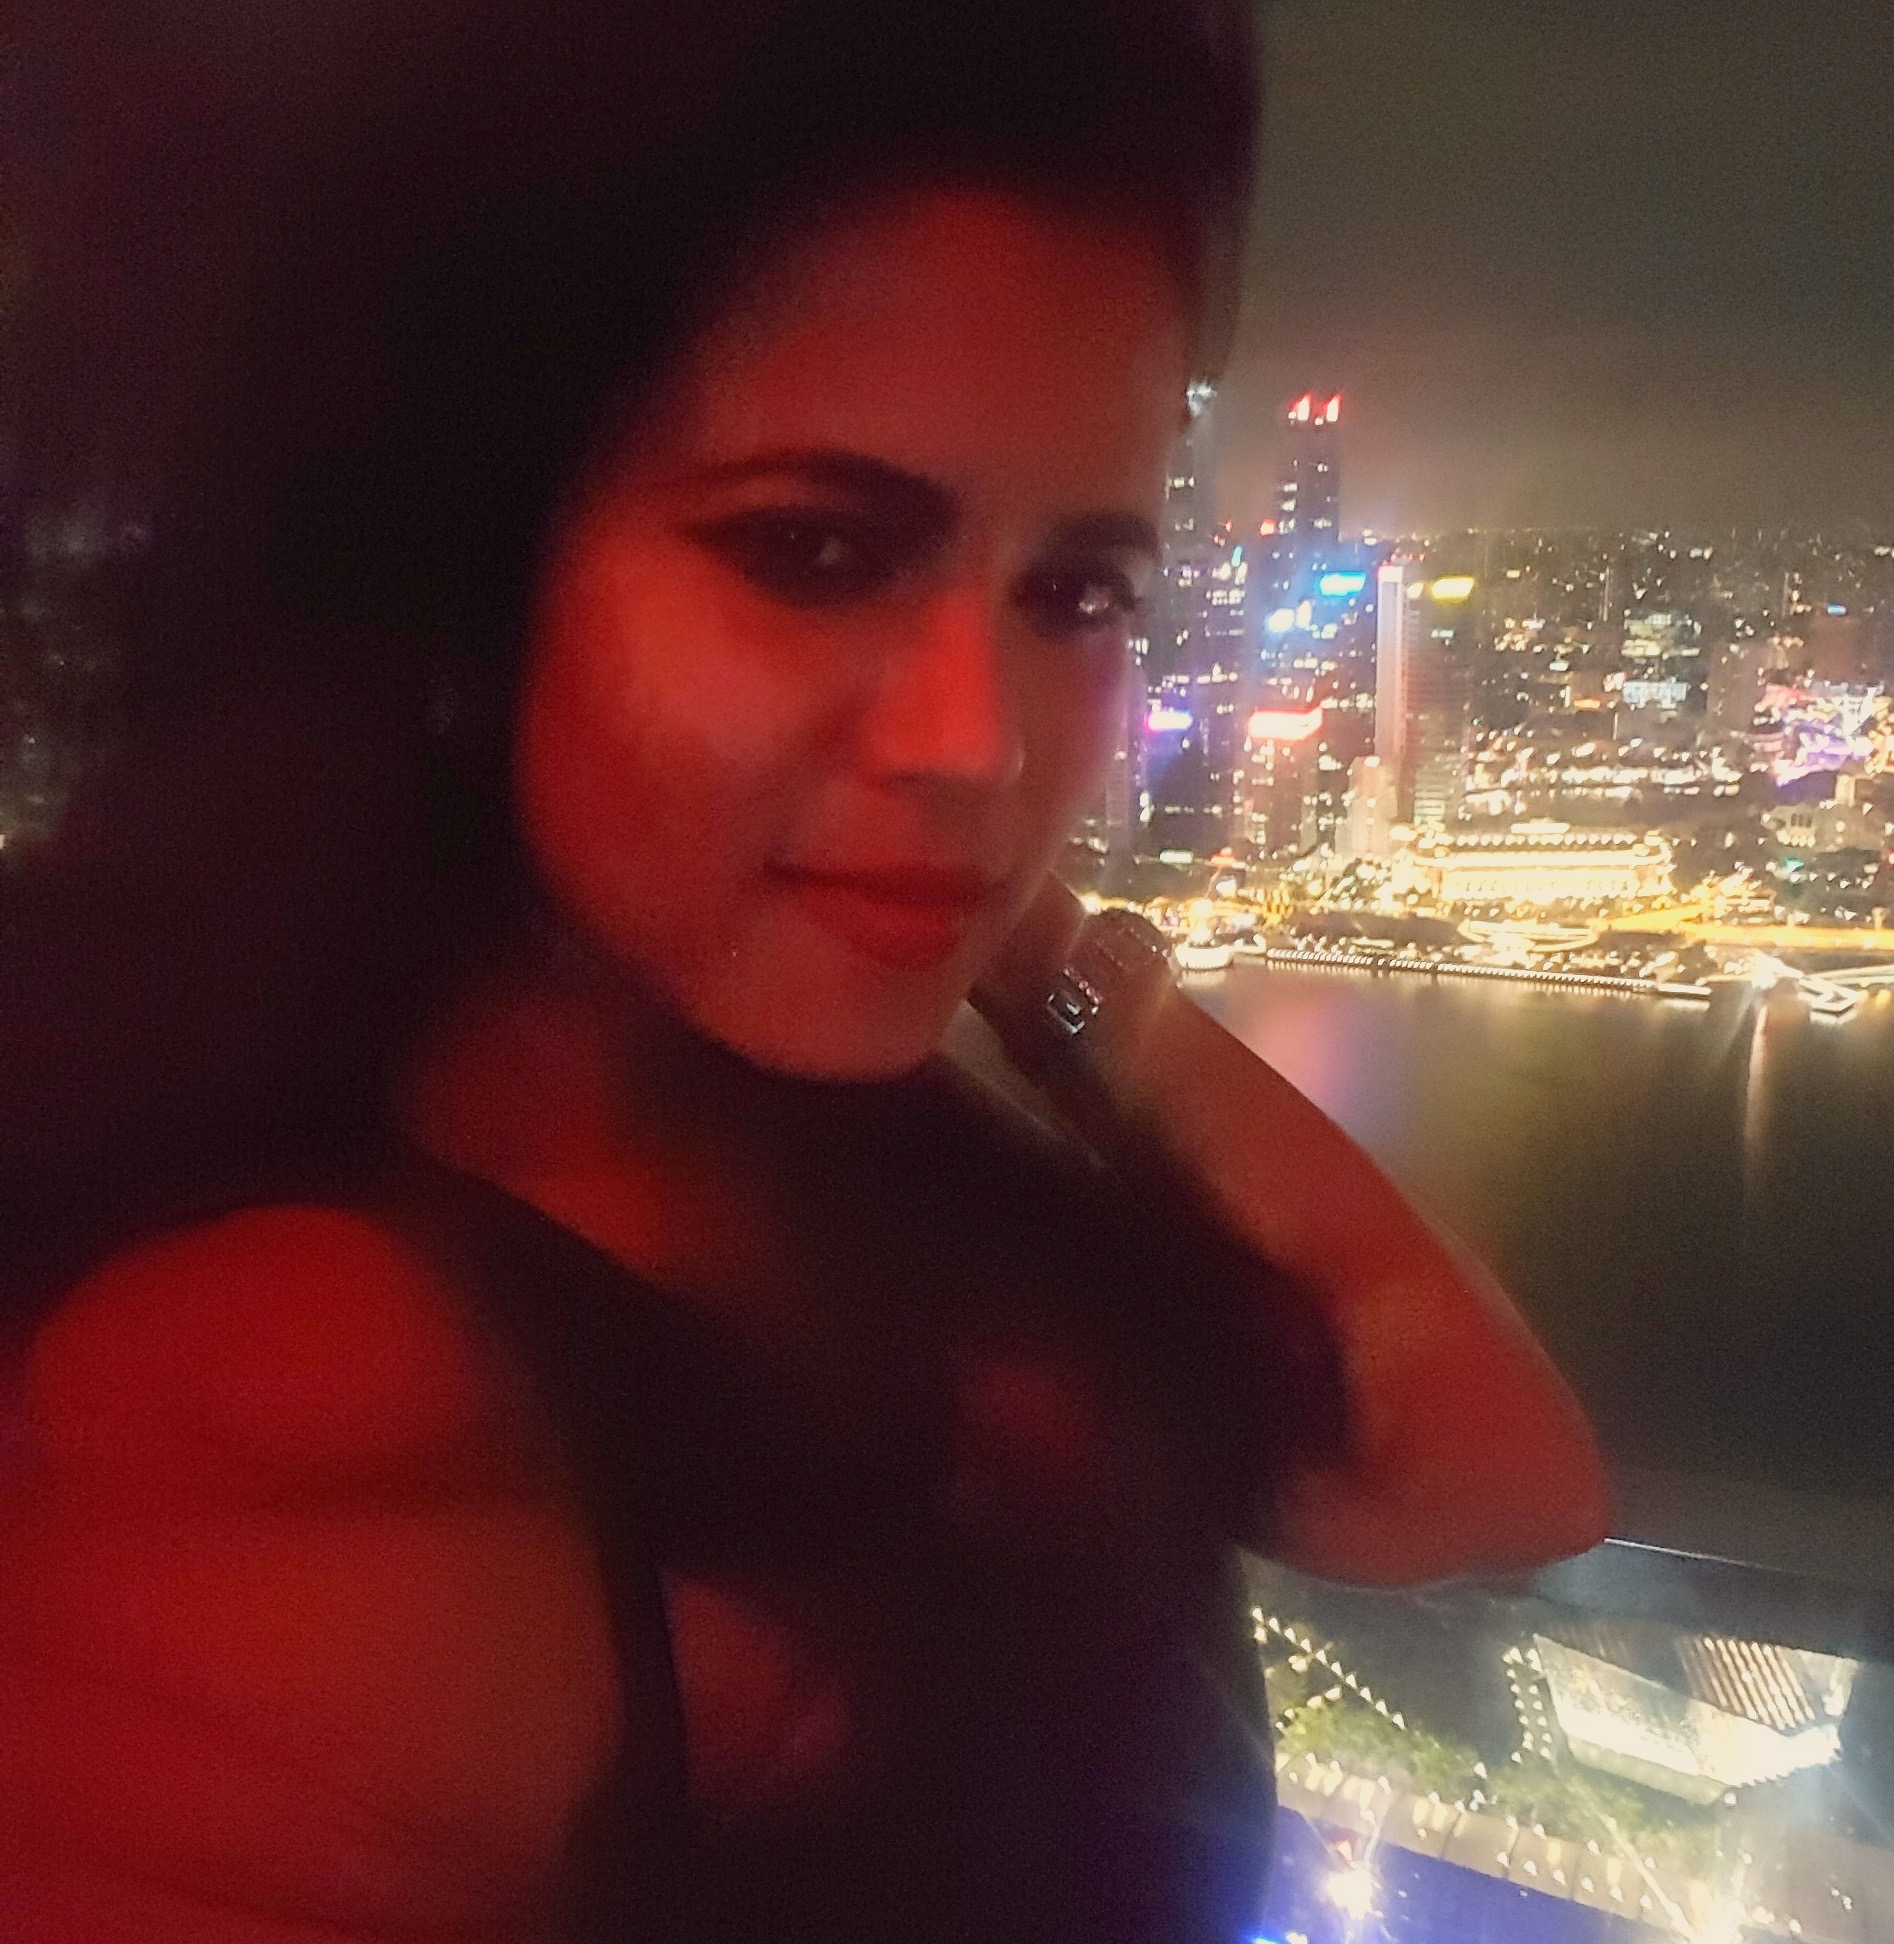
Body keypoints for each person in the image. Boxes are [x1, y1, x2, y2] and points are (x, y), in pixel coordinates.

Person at [1, 2, 1607, 1938]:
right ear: (475, 576)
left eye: (1076, 591)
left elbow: (1493, 1468)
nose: (978, 743)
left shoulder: (853, 1173)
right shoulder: (264, 1413)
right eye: (816, 554)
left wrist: (1054, 969)